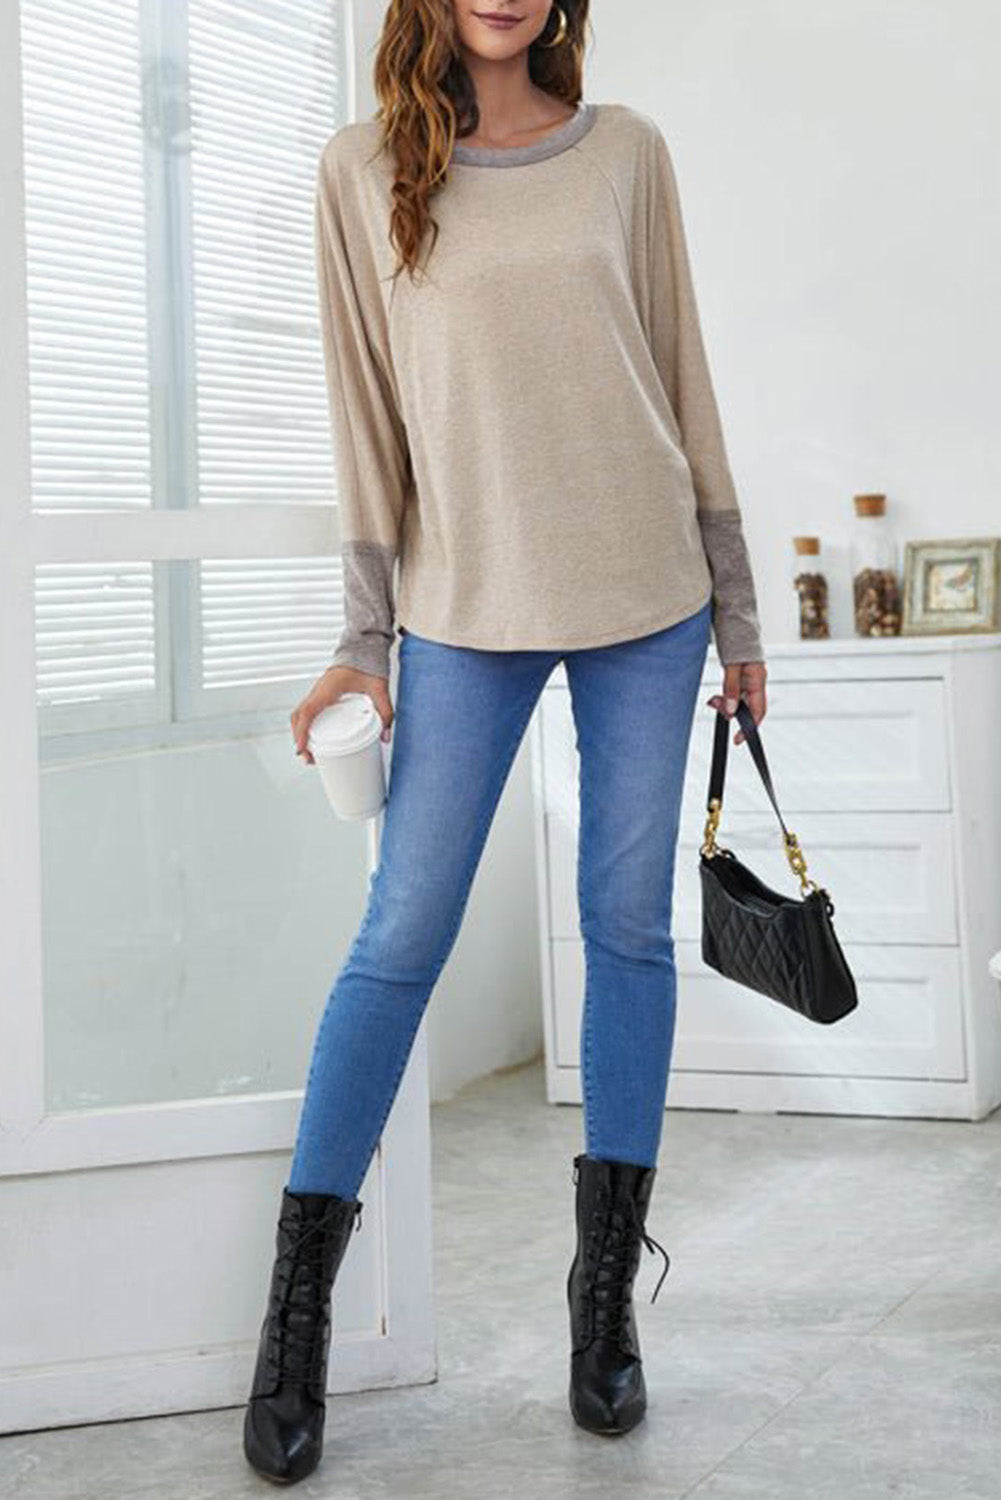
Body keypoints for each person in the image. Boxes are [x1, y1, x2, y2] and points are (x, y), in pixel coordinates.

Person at [243, 0, 767, 1483]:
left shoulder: (627, 156)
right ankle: (296, 1321)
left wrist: (737, 613)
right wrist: (365, 634)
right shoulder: (361, 169)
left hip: (648, 595)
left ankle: (604, 1310)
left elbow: (683, 377)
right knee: (401, 935)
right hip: (462, 605)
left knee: (626, 932)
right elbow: (362, 411)